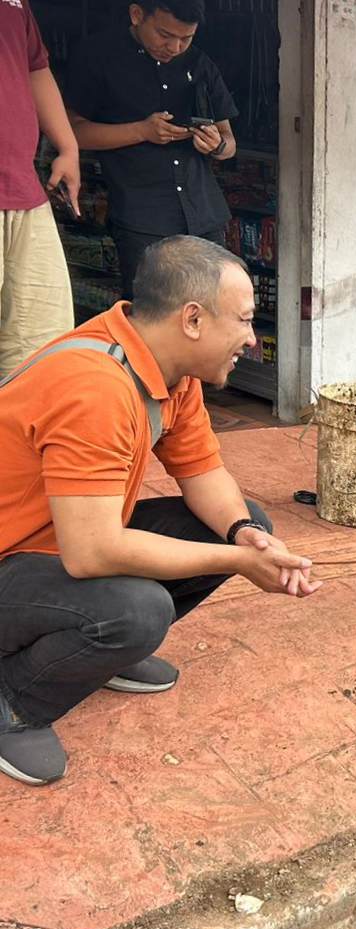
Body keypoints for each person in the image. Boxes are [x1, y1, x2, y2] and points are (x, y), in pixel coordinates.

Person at [0, 236, 321, 787]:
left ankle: (91, 654)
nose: (250, 340)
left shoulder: (172, 373)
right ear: (192, 319)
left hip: (52, 548)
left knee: (246, 524)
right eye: (244, 321)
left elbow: (204, 476)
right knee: (136, 610)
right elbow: (92, 551)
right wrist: (238, 562)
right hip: (16, 558)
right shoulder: (94, 387)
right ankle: (14, 702)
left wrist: (243, 536)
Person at [65, 0, 239, 299]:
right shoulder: (98, 57)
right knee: (152, 317)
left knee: (213, 310)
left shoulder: (199, 63)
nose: (174, 47)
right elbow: (72, 133)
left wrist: (217, 145)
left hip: (204, 213)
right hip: (141, 217)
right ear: (136, 15)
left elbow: (229, 143)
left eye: (186, 38)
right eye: (165, 35)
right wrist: (140, 131)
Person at [1, 0, 79, 377]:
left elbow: (35, 65)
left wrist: (68, 145)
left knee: (41, 346)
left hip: (22, 190)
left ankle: (17, 436)